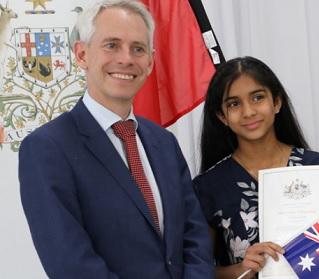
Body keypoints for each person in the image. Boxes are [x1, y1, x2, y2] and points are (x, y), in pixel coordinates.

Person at [18, 0, 213, 278]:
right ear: (82, 54)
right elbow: (70, 264)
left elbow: (195, 238)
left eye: (138, 48)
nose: (126, 59)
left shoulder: (164, 142)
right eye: (111, 45)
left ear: (150, 61)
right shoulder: (47, 148)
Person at [192, 56, 319, 279]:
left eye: (257, 98)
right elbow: (197, 271)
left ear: (277, 103)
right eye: (234, 104)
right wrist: (240, 269)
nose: (248, 112)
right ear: (222, 116)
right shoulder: (207, 188)